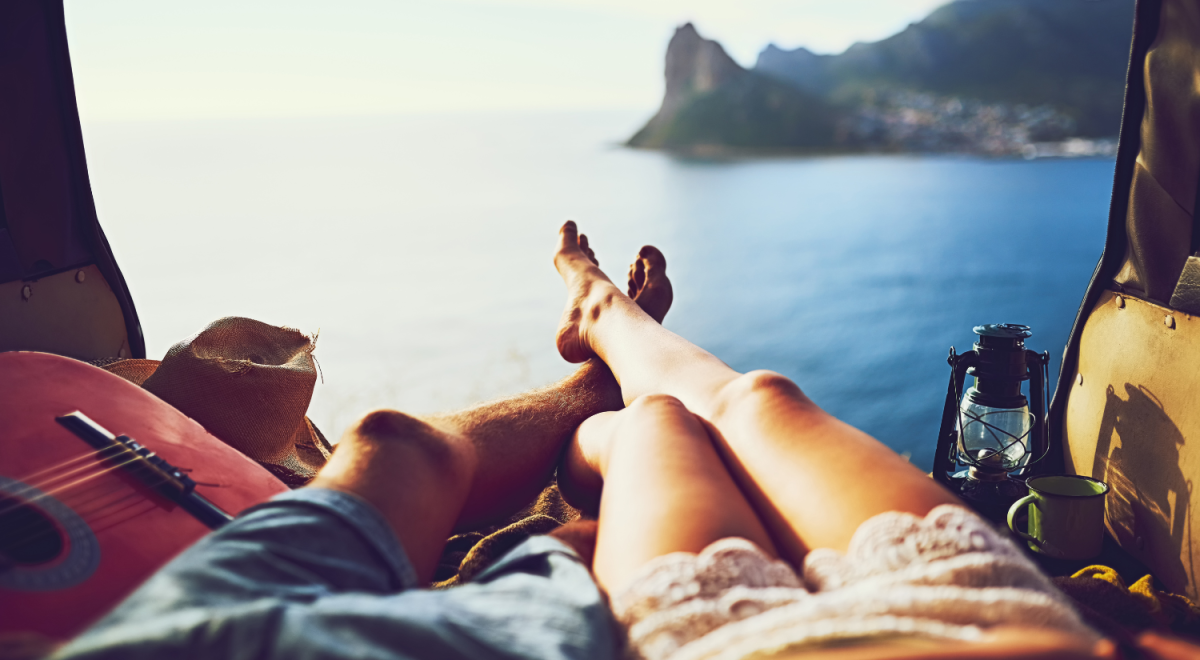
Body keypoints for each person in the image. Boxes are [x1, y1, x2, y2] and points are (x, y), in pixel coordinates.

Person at [55, 223, 1197, 660]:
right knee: (728, 407)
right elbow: (399, 451)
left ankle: (603, 327)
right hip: (958, 624)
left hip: (778, 632)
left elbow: (399, 450)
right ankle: (609, 329)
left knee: (697, 415)